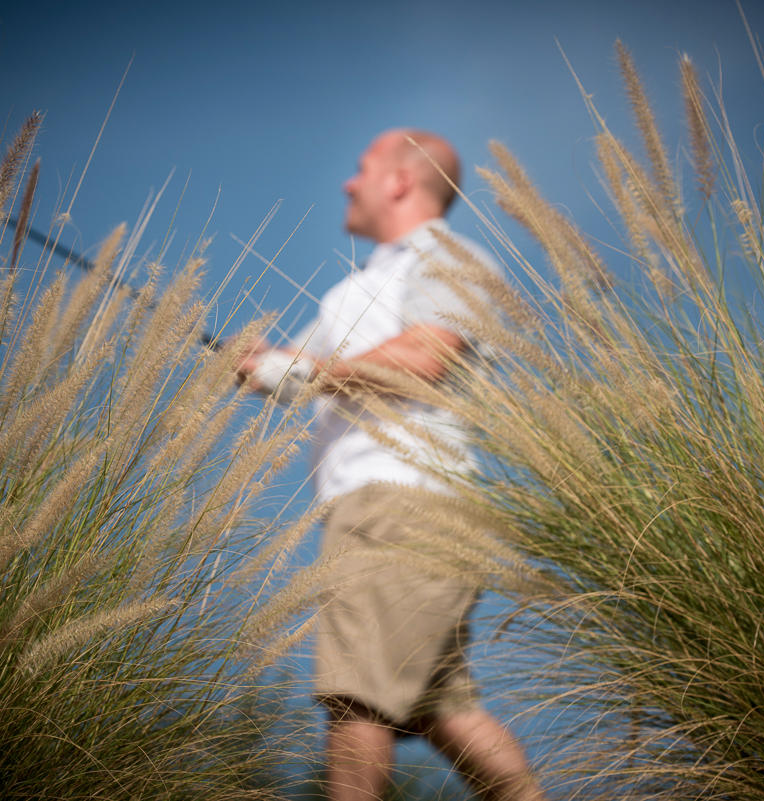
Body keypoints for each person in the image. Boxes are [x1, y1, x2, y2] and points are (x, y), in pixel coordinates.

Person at [240, 129, 544, 801]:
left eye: (362, 168)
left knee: (357, 701)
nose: (349, 182)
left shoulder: (444, 256)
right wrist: (263, 364)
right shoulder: (358, 288)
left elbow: (426, 354)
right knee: (442, 709)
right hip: (388, 507)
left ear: (402, 181)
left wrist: (305, 371)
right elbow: (306, 367)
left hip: (400, 503)